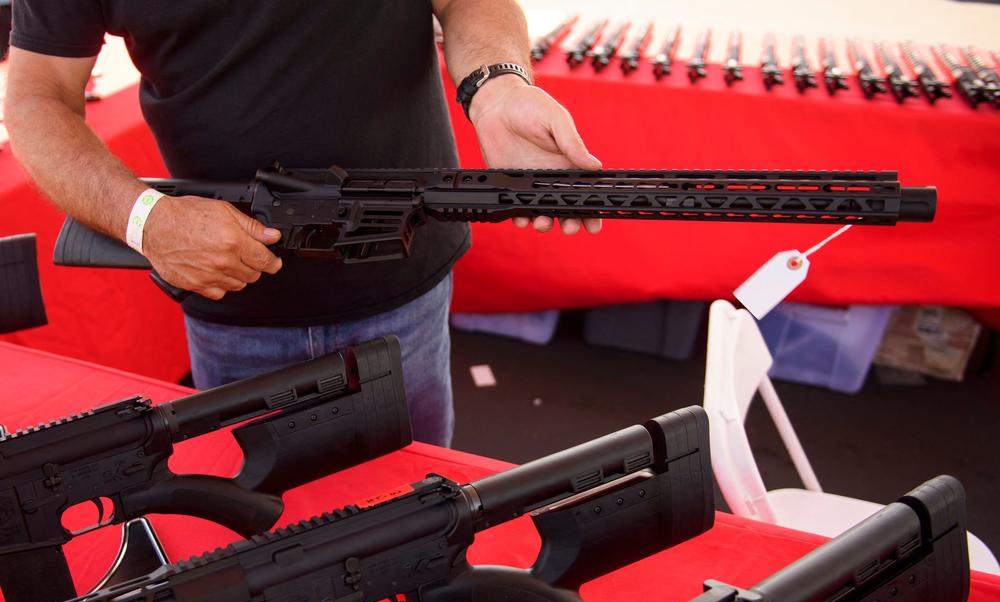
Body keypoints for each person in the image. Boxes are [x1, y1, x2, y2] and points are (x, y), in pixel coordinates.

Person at [4, 1, 601, 447]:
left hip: (405, 288)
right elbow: (37, 95)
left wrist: (494, 85)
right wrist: (146, 221)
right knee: (263, 545)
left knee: (421, 521)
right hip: (236, 302)